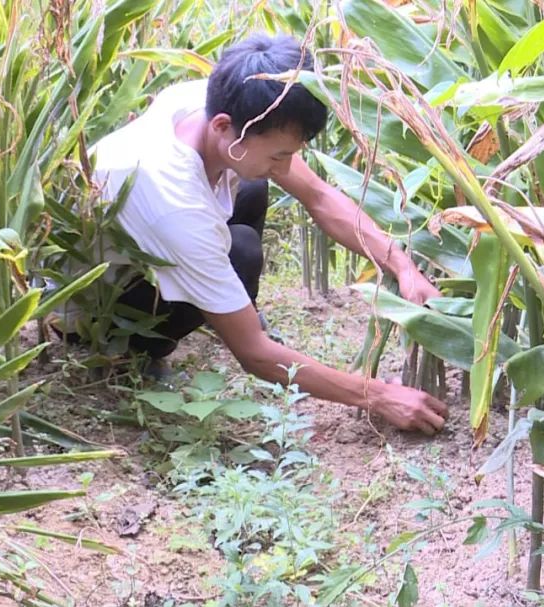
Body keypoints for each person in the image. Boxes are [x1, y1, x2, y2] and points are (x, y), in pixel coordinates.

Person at [89, 33, 448, 435]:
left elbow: (319, 196)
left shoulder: (219, 104)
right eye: (280, 154)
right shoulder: (175, 206)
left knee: (255, 183)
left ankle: (224, 304)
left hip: (150, 246)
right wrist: (378, 395)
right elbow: (254, 354)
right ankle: (143, 355)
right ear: (224, 126)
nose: (287, 165)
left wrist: (402, 267)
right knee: (240, 252)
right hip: (95, 310)